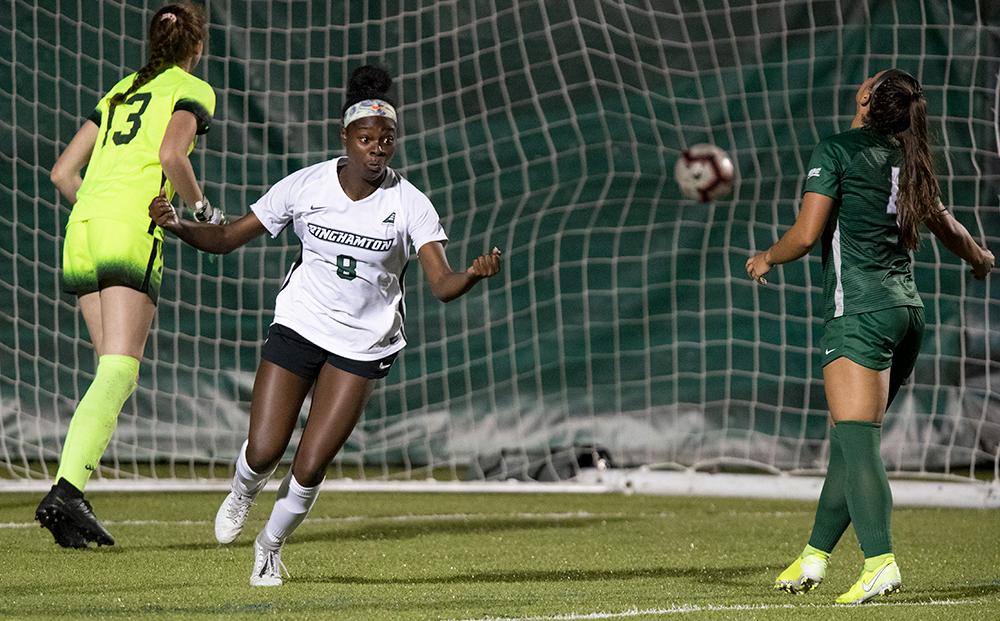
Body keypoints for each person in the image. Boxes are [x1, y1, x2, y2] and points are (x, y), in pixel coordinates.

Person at [149, 64, 502, 586]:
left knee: (310, 465)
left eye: (387, 141)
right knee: (266, 449)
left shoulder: (410, 203)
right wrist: (178, 225)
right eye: (367, 139)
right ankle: (243, 490)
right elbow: (226, 239)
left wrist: (472, 274)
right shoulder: (307, 184)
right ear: (346, 138)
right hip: (299, 324)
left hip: (362, 345)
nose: (378, 149)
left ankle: (270, 547)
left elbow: (441, 284)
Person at [746, 69, 993, 604]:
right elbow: (946, 224)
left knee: (858, 443)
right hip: (905, 314)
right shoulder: (911, 157)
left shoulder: (836, 149)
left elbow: (808, 234)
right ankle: (814, 556)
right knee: (848, 443)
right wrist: (979, 257)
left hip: (856, 311)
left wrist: (766, 256)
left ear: (865, 99)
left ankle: (881, 562)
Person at [37, 2, 219, 549]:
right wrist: (204, 211)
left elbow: (62, 172)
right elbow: (171, 154)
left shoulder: (118, 90)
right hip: (127, 227)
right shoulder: (192, 87)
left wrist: (97, 205)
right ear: (196, 46)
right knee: (120, 370)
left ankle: (71, 498)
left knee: (110, 371)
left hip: (83, 225)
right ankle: (67, 490)